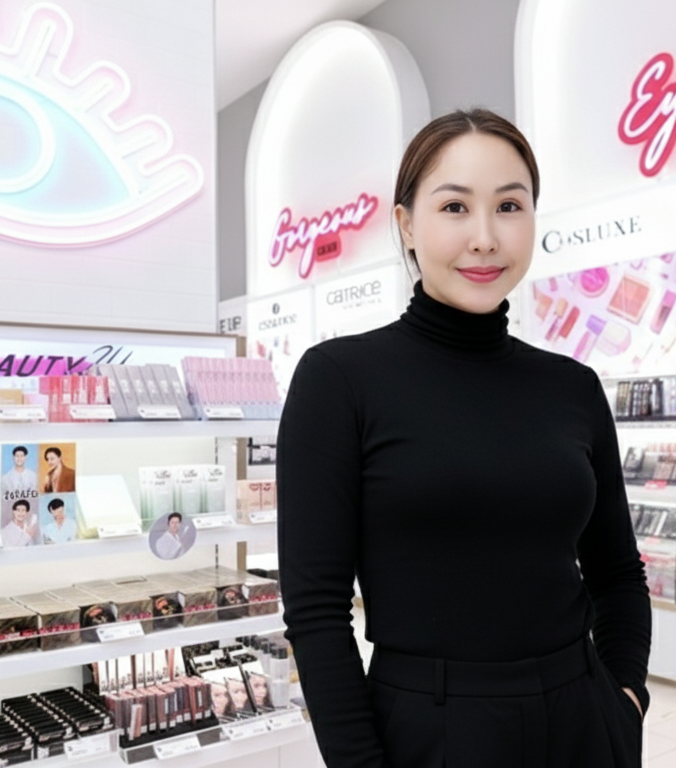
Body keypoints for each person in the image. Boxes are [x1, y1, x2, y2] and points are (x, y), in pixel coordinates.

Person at [277, 110, 650, 768]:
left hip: (583, 717)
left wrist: (626, 700)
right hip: (431, 728)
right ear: (406, 225)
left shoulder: (572, 386)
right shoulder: (340, 379)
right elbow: (316, 611)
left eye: (509, 206)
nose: (485, 238)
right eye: (454, 207)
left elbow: (617, 571)